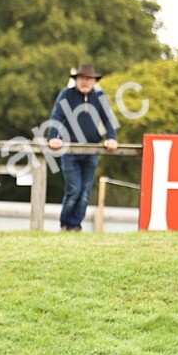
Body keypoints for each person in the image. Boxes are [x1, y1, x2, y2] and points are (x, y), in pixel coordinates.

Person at [46, 63, 119, 232]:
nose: (85, 82)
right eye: (81, 78)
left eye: (88, 79)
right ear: (76, 80)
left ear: (94, 81)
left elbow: (108, 119)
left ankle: (76, 226)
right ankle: (64, 225)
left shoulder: (100, 96)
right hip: (70, 150)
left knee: (85, 192)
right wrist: (53, 137)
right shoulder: (66, 95)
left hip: (92, 150)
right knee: (73, 190)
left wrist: (111, 138)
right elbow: (56, 116)